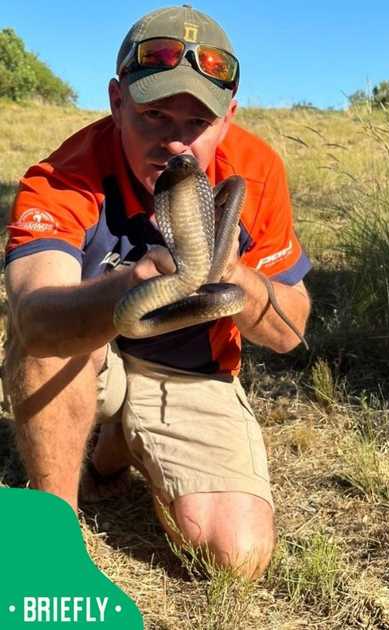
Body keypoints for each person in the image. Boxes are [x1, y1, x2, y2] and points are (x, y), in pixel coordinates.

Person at [3, 5, 310, 580]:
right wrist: (142, 279)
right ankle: (53, 533)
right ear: (117, 102)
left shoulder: (255, 173)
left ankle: (118, 442)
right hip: (96, 349)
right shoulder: (62, 178)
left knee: (235, 557)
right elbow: (35, 320)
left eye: (198, 122)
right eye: (154, 114)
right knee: (48, 344)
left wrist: (236, 277)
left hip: (191, 370)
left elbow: (291, 330)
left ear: (229, 116)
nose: (176, 142)